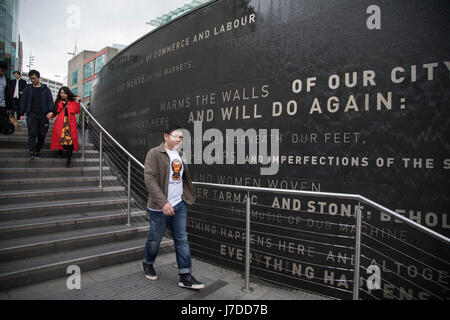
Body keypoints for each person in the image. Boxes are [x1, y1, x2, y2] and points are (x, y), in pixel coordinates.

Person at [143, 124, 204, 290]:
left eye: (181, 137)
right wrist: (164, 203)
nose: (178, 139)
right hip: (159, 207)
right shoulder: (154, 153)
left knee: (182, 239)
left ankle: (185, 275)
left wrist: (185, 197)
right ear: (165, 136)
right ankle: (148, 263)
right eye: (175, 136)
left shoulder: (180, 154)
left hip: (179, 205)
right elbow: (149, 179)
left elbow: (182, 178)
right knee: (155, 239)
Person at [19, 70, 54, 160]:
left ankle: (38, 150)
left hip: (43, 115)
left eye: (34, 78)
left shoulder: (46, 89)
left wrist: (50, 111)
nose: (33, 80)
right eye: (31, 79)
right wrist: (22, 114)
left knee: (42, 135)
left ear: (39, 78)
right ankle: (32, 152)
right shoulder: (27, 89)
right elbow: (23, 102)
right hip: (31, 115)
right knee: (32, 133)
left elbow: (50, 101)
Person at [50, 87, 80, 167]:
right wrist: (50, 115)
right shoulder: (58, 102)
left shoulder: (72, 102)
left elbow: (77, 111)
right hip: (60, 122)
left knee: (70, 142)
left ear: (68, 93)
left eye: (64, 93)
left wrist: (77, 102)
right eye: (61, 93)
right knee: (60, 138)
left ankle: (68, 160)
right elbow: (54, 112)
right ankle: (60, 152)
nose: (62, 94)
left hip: (70, 123)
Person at [0, 62, 14, 132]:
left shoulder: (7, 80)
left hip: (2, 106)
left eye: (3, 71)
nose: (1, 72)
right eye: (0, 70)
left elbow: (9, 94)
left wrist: (9, 107)